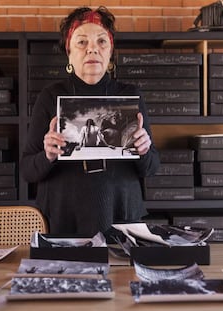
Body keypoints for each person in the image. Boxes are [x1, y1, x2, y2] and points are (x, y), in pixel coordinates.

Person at [20, 6, 160, 236]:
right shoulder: (50, 96)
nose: (92, 49)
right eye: (82, 42)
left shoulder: (130, 95)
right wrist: (48, 155)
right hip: (63, 218)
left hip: (122, 214)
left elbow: (152, 167)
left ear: (110, 51)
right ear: (69, 52)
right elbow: (27, 170)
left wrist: (144, 150)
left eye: (101, 42)